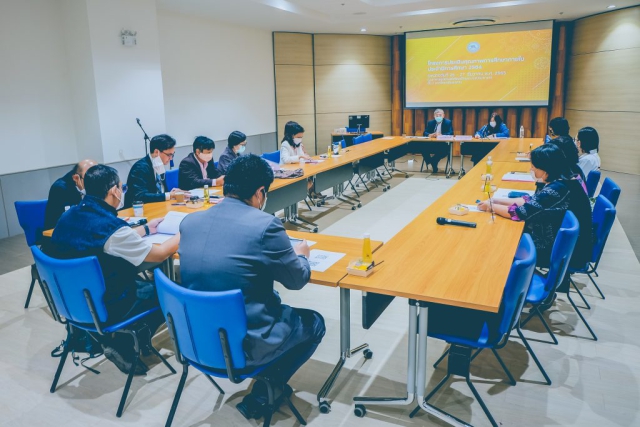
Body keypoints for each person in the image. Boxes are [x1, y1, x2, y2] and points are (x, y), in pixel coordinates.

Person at [178, 154, 325, 420]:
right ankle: (264, 392)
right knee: (314, 323)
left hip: (194, 339)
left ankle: (265, 387)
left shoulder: (190, 222)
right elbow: (296, 280)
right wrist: (302, 255)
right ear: (260, 193)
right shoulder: (266, 225)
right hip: (244, 343)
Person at [44, 165, 180, 375]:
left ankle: (120, 337)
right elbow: (160, 253)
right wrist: (183, 231)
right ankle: (125, 342)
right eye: (121, 188)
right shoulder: (110, 228)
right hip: (104, 304)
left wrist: (145, 229)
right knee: (166, 292)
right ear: (114, 191)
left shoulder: (68, 216)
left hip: (69, 300)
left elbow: (103, 239)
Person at [477, 145, 570, 268]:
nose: (531, 169)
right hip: (546, 237)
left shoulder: (554, 190)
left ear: (545, 168)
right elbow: (529, 201)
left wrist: (491, 206)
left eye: (534, 166)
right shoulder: (556, 183)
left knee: (497, 244)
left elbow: (519, 213)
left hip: (543, 246)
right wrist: (496, 200)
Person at [124, 134, 187, 208]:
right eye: (169, 155)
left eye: (172, 155)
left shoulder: (159, 164)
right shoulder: (140, 168)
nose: (171, 159)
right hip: (138, 210)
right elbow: (140, 196)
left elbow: (161, 192)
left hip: (157, 207)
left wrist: (172, 193)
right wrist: (168, 195)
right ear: (156, 152)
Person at [44, 159, 97, 230]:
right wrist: (85, 194)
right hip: (61, 231)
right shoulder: (60, 189)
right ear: (76, 178)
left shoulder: (94, 182)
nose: (94, 183)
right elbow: (72, 218)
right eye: (90, 179)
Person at [422, 109, 453, 173]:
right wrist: (429, 135)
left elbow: (451, 133)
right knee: (422, 147)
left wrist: (442, 135)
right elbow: (425, 132)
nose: (438, 117)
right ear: (434, 116)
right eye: (437, 115)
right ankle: (430, 161)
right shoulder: (431, 122)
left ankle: (434, 161)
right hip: (432, 144)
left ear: (443, 115)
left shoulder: (448, 122)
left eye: (440, 115)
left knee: (444, 150)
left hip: (443, 144)